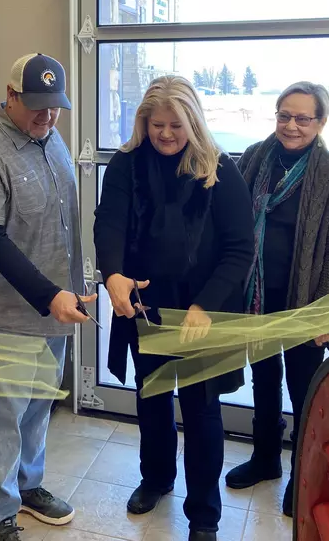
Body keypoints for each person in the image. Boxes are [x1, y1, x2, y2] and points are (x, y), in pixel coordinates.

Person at [93, 76, 253, 541]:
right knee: (152, 397)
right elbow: (110, 224)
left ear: (194, 123)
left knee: (202, 411)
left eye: (175, 125)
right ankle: (156, 478)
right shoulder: (126, 164)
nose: (165, 134)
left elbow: (240, 250)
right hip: (147, 305)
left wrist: (206, 305)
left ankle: (204, 515)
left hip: (204, 310)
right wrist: (112, 273)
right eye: (156, 124)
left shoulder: (220, 169)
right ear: (143, 122)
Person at [0, 53, 91, 541]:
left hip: (56, 306)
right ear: (10, 97)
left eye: (54, 107)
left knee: (38, 405)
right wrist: (49, 295)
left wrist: (64, 293)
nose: (46, 116)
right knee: (3, 416)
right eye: (36, 106)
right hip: (6, 313)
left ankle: (29, 488)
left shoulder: (52, 140)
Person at [223, 82, 329, 517]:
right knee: (263, 380)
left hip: (304, 301)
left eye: (302, 118)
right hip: (258, 295)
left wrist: (328, 314)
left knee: (304, 390)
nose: (291, 126)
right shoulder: (256, 158)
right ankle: (265, 459)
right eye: (284, 115)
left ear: (320, 123)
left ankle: (304, 469)